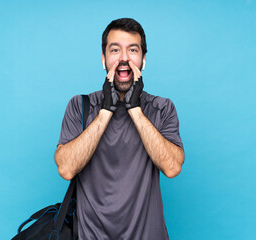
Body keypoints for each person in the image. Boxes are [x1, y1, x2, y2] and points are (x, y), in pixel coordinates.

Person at [55, 18, 184, 240]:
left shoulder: (162, 108)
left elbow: (172, 167)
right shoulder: (80, 106)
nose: (124, 57)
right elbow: (66, 169)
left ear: (143, 60)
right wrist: (106, 111)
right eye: (115, 50)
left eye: (133, 50)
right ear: (103, 59)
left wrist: (135, 109)